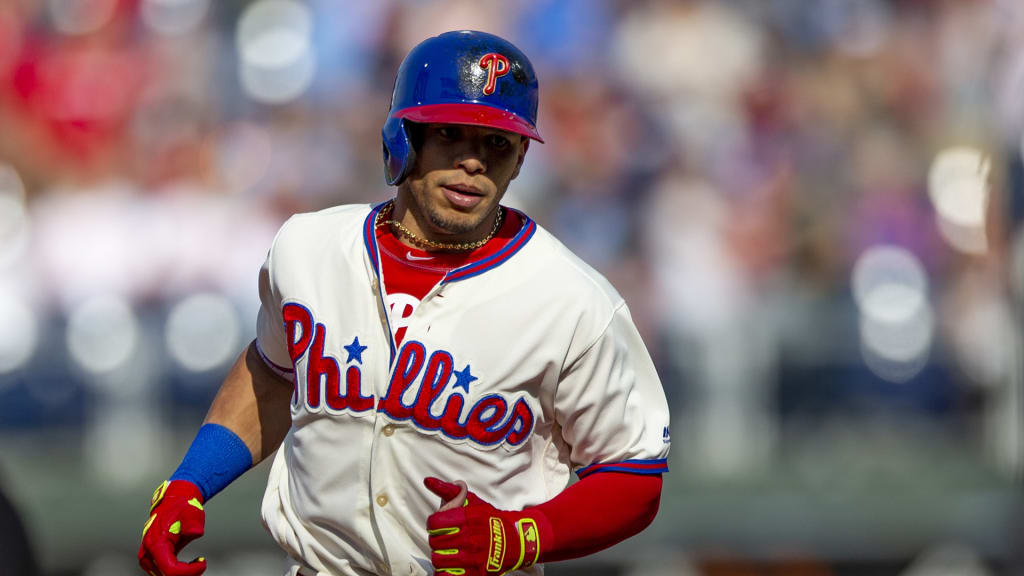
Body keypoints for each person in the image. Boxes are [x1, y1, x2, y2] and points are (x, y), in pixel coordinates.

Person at [138, 30, 670, 576]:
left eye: (496, 144)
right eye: (450, 135)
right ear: (403, 139)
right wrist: (191, 481)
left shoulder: (572, 300)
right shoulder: (308, 248)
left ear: (519, 160)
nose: (472, 162)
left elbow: (633, 474)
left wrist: (520, 536)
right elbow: (274, 372)